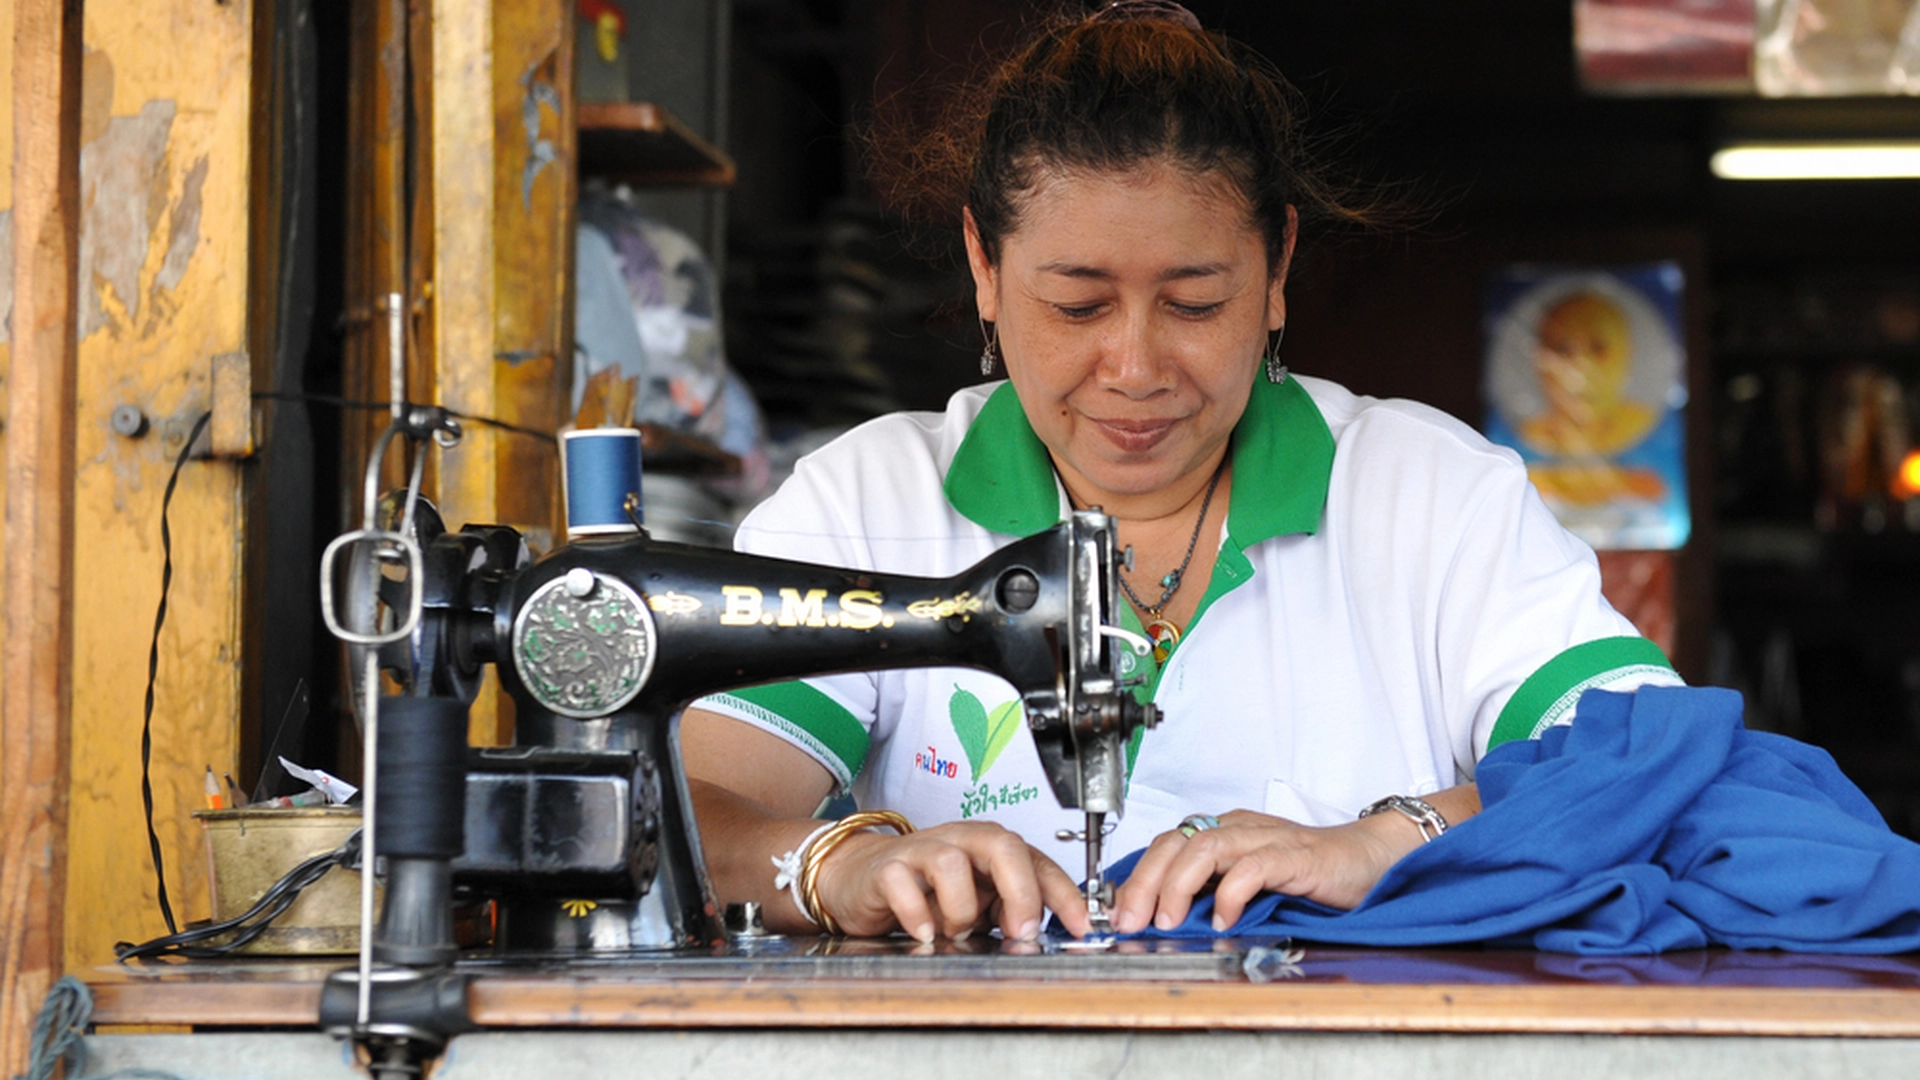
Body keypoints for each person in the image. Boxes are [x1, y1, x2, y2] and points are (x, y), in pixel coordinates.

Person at [677, 0, 1683, 944]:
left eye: (1195, 303)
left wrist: (1385, 840)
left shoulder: (1431, 498)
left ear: (1277, 267)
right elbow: (695, 806)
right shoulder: (865, 507)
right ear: (984, 266)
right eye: (1077, 306)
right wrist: (828, 862)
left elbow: (1650, 758)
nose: (1136, 369)